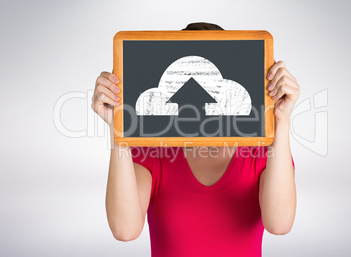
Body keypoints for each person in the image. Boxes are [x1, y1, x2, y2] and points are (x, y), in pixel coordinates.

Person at [91, 22, 299, 257]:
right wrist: (118, 126)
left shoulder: (263, 151)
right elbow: (124, 230)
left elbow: (280, 224)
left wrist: (280, 120)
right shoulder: (152, 151)